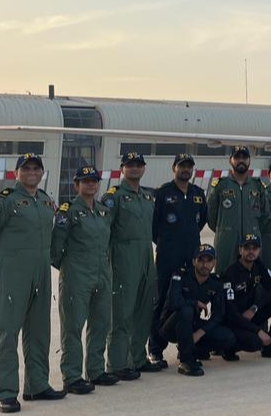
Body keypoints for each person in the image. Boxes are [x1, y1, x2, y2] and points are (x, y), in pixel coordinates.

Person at [0, 153, 59, 413]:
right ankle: (6, 392)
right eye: (27, 169)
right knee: (7, 332)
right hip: (13, 275)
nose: (32, 172)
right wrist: (2, 264)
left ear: (42, 173)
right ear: (17, 173)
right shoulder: (5, 201)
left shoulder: (46, 202)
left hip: (40, 275)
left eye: (36, 168)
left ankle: (37, 385)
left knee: (39, 332)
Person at [50, 164, 115, 394]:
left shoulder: (104, 211)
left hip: (102, 275)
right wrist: (71, 268)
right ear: (76, 185)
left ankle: (96, 370)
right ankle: (72, 375)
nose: (91, 184)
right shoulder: (67, 211)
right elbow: (55, 249)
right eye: (85, 181)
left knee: (101, 323)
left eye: (94, 181)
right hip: (77, 277)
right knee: (73, 326)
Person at [149, 153, 208, 369]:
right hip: (167, 258)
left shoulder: (199, 194)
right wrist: (168, 244)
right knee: (162, 301)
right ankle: (156, 350)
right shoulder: (163, 193)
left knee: (189, 301)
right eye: (182, 166)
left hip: (191, 258)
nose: (186, 170)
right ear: (173, 168)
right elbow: (153, 227)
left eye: (189, 166)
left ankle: (188, 349)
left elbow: (201, 222)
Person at [102, 151, 158, 379]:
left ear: (144, 169)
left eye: (138, 165)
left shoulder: (147, 197)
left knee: (144, 311)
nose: (134, 168)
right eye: (129, 165)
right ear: (122, 169)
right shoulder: (113, 196)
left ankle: (137, 357)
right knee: (122, 314)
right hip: (124, 260)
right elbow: (104, 229)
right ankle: (117, 363)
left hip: (146, 258)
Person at [158, 245, 238, 376]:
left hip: (193, 326)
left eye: (209, 260)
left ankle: (193, 350)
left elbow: (218, 315)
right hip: (170, 326)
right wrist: (195, 302)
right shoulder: (180, 276)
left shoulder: (215, 283)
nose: (204, 264)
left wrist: (200, 333)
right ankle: (186, 362)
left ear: (214, 262)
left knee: (228, 337)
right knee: (187, 310)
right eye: (201, 260)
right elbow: (175, 302)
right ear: (194, 261)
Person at [219, 233, 271, 359]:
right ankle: (229, 349)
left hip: (251, 313)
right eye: (247, 248)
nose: (251, 252)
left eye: (254, 248)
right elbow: (230, 312)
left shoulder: (258, 266)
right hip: (234, 320)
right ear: (240, 250)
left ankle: (270, 345)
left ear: (259, 250)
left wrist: (255, 307)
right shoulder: (230, 273)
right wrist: (258, 331)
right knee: (255, 343)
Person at [207, 146, 265, 267]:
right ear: (230, 160)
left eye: (244, 157)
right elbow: (211, 216)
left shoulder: (257, 186)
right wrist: (225, 230)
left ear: (249, 160)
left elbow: (265, 215)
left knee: (251, 276)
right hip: (226, 242)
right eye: (237, 157)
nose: (241, 160)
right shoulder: (220, 185)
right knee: (224, 276)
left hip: (251, 241)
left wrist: (252, 228)